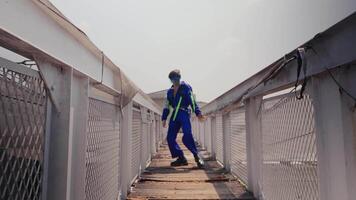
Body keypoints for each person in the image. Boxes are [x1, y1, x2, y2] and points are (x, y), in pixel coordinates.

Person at [162, 69, 206, 168]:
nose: (175, 80)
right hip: (174, 115)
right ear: (170, 80)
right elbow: (166, 105)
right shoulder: (169, 92)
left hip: (184, 113)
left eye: (177, 77)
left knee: (187, 134)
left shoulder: (186, 87)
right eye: (173, 79)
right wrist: (164, 118)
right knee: (170, 138)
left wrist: (198, 113)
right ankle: (181, 158)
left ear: (180, 77)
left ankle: (196, 156)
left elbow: (192, 101)